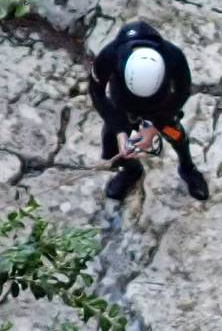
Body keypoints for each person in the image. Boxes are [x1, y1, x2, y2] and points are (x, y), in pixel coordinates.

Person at [88, 18, 208, 202]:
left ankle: (188, 168)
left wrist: (153, 127)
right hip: (123, 107)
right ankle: (131, 170)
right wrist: (120, 131)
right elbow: (97, 93)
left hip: (160, 109)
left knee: (175, 135)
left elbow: (182, 91)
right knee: (112, 145)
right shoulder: (111, 55)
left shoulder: (173, 56)